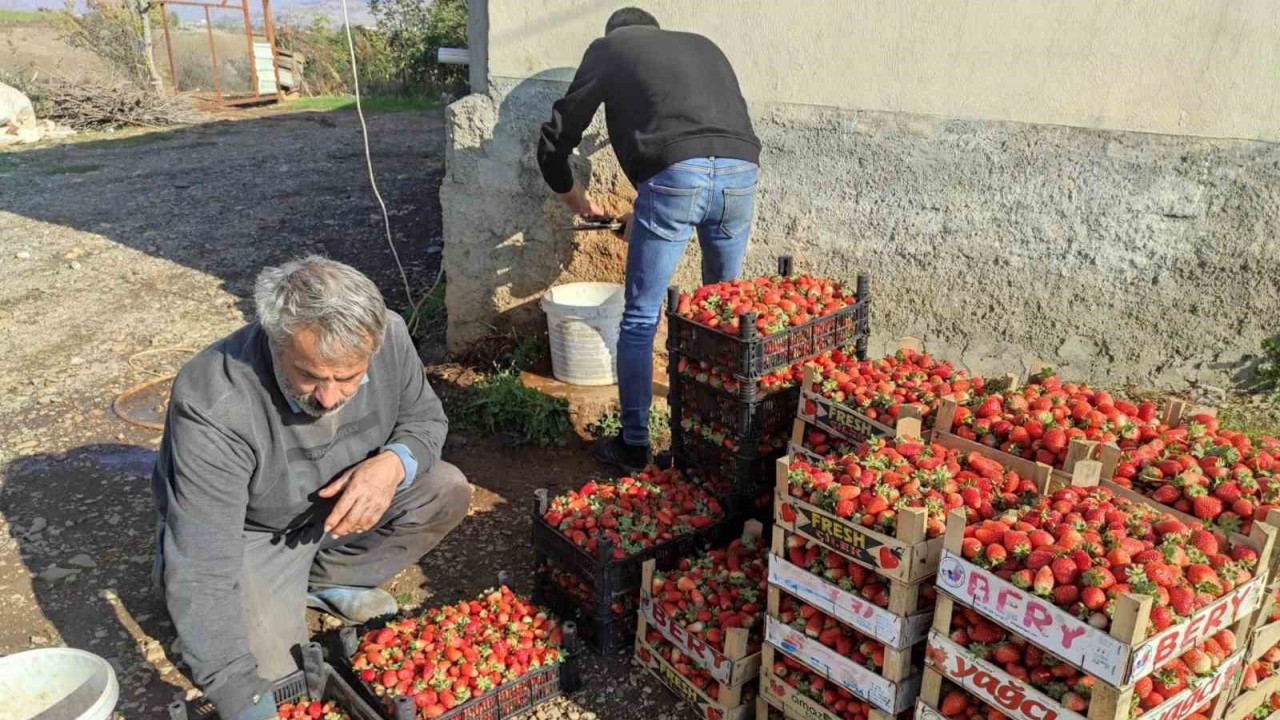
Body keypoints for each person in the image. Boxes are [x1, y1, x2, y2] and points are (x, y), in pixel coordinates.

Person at [150, 256, 472, 720]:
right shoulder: (215, 402)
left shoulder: (391, 336)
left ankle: (323, 580)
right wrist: (238, 691)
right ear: (273, 339)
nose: (328, 397)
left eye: (347, 377)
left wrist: (391, 465)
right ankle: (195, 575)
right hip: (254, 533)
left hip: (336, 509)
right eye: (309, 375)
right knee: (278, 680)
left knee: (445, 487)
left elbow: (424, 419)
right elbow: (204, 563)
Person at [537, 7, 762, 473]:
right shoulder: (703, 45)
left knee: (639, 317)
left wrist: (577, 201)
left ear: (616, 33)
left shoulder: (610, 47)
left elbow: (555, 143)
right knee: (720, 312)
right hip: (742, 173)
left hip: (674, 179)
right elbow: (701, 149)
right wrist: (647, 209)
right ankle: (717, 440)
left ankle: (635, 445)